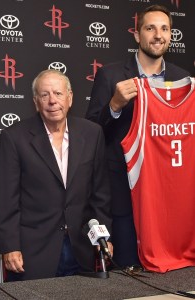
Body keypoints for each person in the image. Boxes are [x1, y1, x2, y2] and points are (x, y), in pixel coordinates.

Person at [85, 4, 190, 268]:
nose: (158, 35)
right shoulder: (110, 76)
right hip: (125, 195)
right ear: (137, 35)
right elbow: (90, 135)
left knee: (175, 273)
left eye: (165, 28)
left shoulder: (183, 79)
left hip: (169, 194)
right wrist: (115, 106)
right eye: (150, 28)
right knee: (130, 274)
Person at [0, 69, 112, 281]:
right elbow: (7, 200)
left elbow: (100, 194)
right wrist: (10, 246)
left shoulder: (92, 133)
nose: (52, 101)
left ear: (70, 98)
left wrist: (105, 236)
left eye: (58, 94)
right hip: (34, 253)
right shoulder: (14, 138)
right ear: (36, 101)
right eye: (44, 95)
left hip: (82, 249)